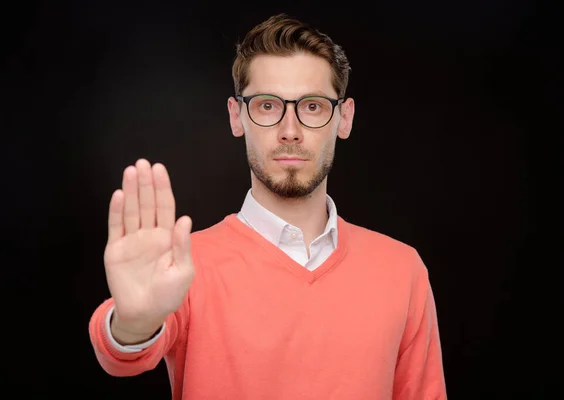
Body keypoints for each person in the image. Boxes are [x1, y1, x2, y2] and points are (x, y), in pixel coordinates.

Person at [88, 13, 447, 400]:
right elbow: (124, 353)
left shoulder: (402, 270)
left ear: (344, 118)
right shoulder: (182, 267)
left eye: (311, 107)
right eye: (266, 105)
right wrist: (133, 323)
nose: (289, 130)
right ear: (236, 116)